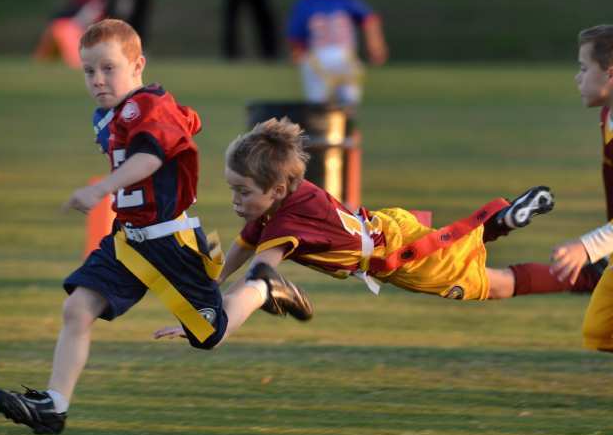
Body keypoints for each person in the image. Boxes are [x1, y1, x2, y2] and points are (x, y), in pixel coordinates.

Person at [0, 19, 311, 435]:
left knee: (209, 335)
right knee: (77, 308)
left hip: (172, 242)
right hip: (127, 241)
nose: (98, 80)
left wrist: (102, 188)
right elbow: (183, 125)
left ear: (138, 64)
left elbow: (152, 157)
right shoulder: (111, 114)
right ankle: (55, 406)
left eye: (109, 68)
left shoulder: (144, 105)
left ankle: (263, 287)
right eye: (89, 71)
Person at [154, 117, 603, 340]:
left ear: (275, 189)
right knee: (455, 254)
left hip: (400, 257)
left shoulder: (287, 220)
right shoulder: (285, 201)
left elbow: (261, 276)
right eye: (232, 190)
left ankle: (586, 278)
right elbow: (237, 258)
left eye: (243, 192)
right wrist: (205, 299)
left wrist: (217, 326)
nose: (235, 201)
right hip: (392, 227)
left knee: (494, 284)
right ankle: (502, 219)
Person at [551, 25, 613, 352]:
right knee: (600, 331)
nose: (578, 78)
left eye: (584, 68)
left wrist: (588, 247)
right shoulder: (608, 115)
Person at [286, 0, 388, 107]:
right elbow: (370, 20)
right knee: (348, 108)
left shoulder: (304, 4)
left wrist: (296, 56)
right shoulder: (344, 0)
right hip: (346, 58)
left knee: (318, 110)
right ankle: (347, 123)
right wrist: (376, 47)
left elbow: (295, 39)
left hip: (317, 60)